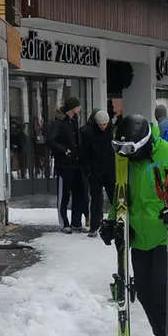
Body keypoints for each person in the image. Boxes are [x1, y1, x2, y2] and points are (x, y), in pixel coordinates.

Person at [100, 114, 168, 336]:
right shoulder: (126, 162)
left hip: (167, 231)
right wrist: (112, 222)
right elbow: (120, 195)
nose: (125, 154)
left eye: (130, 149)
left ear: (143, 142)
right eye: (120, 149)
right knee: (143, 288)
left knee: (161, 284)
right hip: (139, 236)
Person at [46, 96, 85, 234]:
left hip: (76, 164)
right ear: (72, 108)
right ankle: (64, 224)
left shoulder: (74, 121)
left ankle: (76, 222)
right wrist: (64, 151)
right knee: (64, 196)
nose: (80, 109)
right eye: (78, 107)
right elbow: (50, 140)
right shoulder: (59, 123)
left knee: (79, 194)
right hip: (64, 165)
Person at [80, 109, 115, 238]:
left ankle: (117, 224)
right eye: (100, 124)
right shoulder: (89, 134)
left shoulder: (113, 132)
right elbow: (84, 153)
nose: (102, 127)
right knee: (96, 200)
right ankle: (94, 226)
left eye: (104, 124)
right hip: (95, 172)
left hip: (110, 171)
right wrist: (88, 171)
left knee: (114, 198)